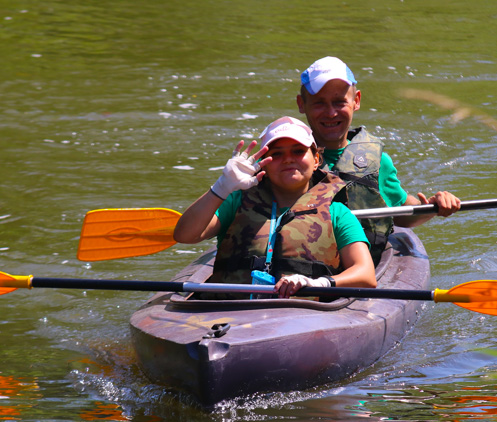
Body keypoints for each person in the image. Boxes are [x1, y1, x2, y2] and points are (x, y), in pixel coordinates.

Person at [173, 116, 376, 299]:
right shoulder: (235, 202)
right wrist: (221, 187)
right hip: (229, 314)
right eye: (277, 154)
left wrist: (320, 282)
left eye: (298, 151)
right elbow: (185, 235)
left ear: (315, 160)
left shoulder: (337, 213)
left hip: (303, 316)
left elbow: (365, 275)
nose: (288, 159)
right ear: (264, 164)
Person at [296, 56, 462, 261]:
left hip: (359, 266)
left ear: (356, 101)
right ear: (301, 104)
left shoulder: (377, 163)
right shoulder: (285, 158)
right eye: (319, 103)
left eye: (339, 102)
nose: (331, 112)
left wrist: (434, 207)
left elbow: (401, 212)